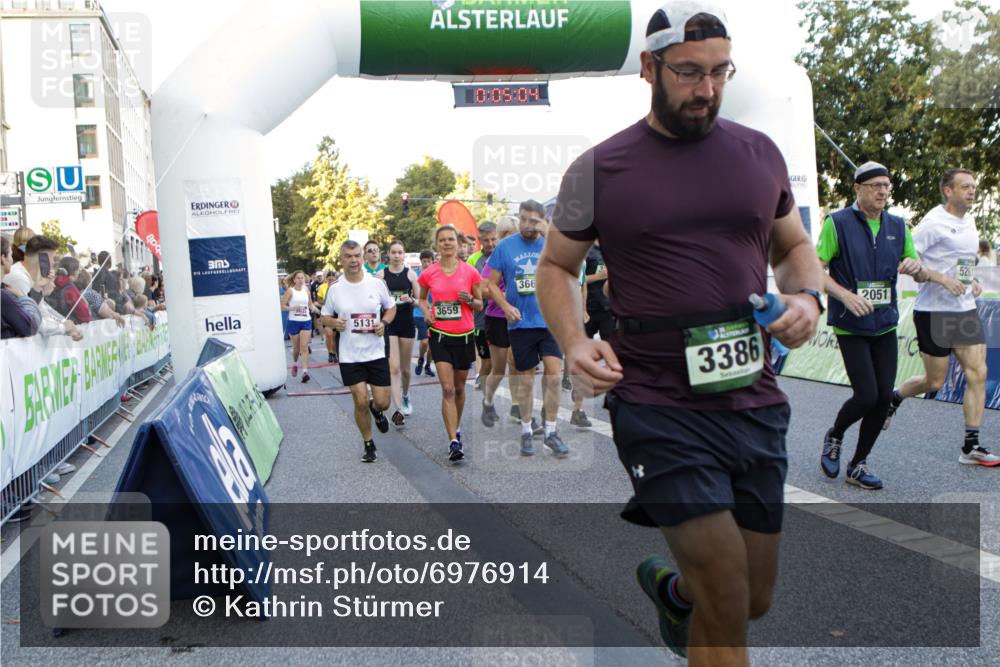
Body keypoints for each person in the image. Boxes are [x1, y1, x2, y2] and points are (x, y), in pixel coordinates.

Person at [537, 3, 823, 662]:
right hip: (657, 402)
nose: (708, 91)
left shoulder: (759, 153)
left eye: (721, 73)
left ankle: (676, 597)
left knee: (751, 597)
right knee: (726, 592)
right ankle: (697, 596)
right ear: (650, 67)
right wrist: (576, 341)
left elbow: (794, 247)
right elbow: (556, 266)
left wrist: (807, 296)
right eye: (690, 74)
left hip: (753, 395)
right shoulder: (599, 169)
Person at [816, 162, 924, 490]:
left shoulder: (898, 225)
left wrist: (914, 266)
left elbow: (916, 267)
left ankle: (858, 464)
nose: (882, 192)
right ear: (858, 189)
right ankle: (835, 435)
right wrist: (844, 295)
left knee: (881, 400)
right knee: (865, 396)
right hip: (851, 325)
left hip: (885, 324)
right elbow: (815, 271)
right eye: (875, 185)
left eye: (887, 186)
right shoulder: (838, 223)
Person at [885, 169, 1000, 466]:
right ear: (948, 191)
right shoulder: (932, 224)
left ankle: (970, 446)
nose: (972, 191)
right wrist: (941, 280)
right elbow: (905, 261)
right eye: (965, 187)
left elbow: (962, 259)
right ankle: (894, 398)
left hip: (963, 309)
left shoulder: (970, 221)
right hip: (934, 312)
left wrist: (968, 279)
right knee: (935, 381)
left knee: (978, 372)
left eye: (974, 187)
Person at [487, 200, 570, 458]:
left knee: (554, 375)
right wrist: (506, 306)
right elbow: (490, 284)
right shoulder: (505, 247)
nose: (525, 225)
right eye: (522, 219)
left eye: (532, 220)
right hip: (520, 323)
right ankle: (525, 430)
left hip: (550, 322)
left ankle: (552, 432)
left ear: (541, 220)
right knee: (525, 379)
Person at [320, 240, 396, 463]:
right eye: (348, 256)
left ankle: (377, 410)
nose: (353, 260)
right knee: (360, 399)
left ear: (362, 258)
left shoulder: (376, 284)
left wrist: (383, 322)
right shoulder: (335, 289)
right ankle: (368, 443)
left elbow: (391, 307)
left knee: (382, 402)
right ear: (341, 259)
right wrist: (334, 324)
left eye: (356, 256)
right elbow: (324, 316)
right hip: (350, 354)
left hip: (375, 352)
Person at [417, 225, 484, 462]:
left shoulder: (470, 272)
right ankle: (453, 441)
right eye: (442, 240)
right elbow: (422, 299)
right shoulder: (429, 273)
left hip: (464, 336)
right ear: (437, 244)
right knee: (447, 389)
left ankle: (456, 426)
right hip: (440, 335)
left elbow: (480, 305)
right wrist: (426, 312)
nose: (446, 243)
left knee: (459, 388)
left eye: (450, 240)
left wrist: (470, 300)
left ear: (457, 244)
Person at [379, 240, 421, 425]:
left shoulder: (411, 275)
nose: (396, 255)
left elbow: (420, 300)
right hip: (390, 324)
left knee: (405, 369)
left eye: (400, 252)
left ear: (404, 255)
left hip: (406, 323)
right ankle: (397, 409)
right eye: (393, 252)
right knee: (393, 367)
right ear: (388, 254)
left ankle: (405, 395)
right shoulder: (381, 275)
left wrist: (410, 299)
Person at [467, 222, 499, 389]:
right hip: (482, 319)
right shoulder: (473, 260)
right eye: (486, 240)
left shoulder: (504, 255)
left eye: (494, 239)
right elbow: (472, 289)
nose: (491, 244)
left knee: (501, 361)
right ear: (480, 240)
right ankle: (483, 380)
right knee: (487, 360)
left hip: (503, 317)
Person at [281, 270, 319, 383]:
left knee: (304, 347)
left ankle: (305, 372)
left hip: (306, 320)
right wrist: (291, 308)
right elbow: (282, 306)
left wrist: (317, 310)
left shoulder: (306, 290)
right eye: (298, 278)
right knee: (296, 348)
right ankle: (295, 363)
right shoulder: (290, 291)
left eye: (302, 278)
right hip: (294, 321)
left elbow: (310, 304)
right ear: (294, 280)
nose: (301, 280)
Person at [1, 235, 37, 338]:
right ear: (3, 259)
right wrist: (23, 297)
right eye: (11, 255)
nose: (12, 260)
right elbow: (32, 327)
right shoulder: (4, 296)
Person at [47, 256, 93, 324]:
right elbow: (85, 317)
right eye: (78, 269)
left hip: (54, 324)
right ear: (74, 271)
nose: (79, 272)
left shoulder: (50, 284)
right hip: (72, 328)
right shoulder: (70, 290)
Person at [413, 250, 436, 378]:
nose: (427, 263)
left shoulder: (436, 275)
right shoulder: (416, 275)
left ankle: (428, 365)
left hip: (434, 313)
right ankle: (421, 358)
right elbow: (415, 296)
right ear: (421, 261)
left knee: (432, 344)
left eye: (429, 261)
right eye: (424, 261)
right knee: (424, 342)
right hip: (419, 313)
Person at [317, 270, 339, 363]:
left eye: (332, 279)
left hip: (336, 313)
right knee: (328, 334)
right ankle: (330, 352)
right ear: (326, 279)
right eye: (329, 279)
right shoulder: (322, 287)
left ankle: (334, 353)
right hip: (326, 313)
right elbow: (319, 301)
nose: (331, 281)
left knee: (334, 335)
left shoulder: (339, 287)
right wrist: (328, 295)